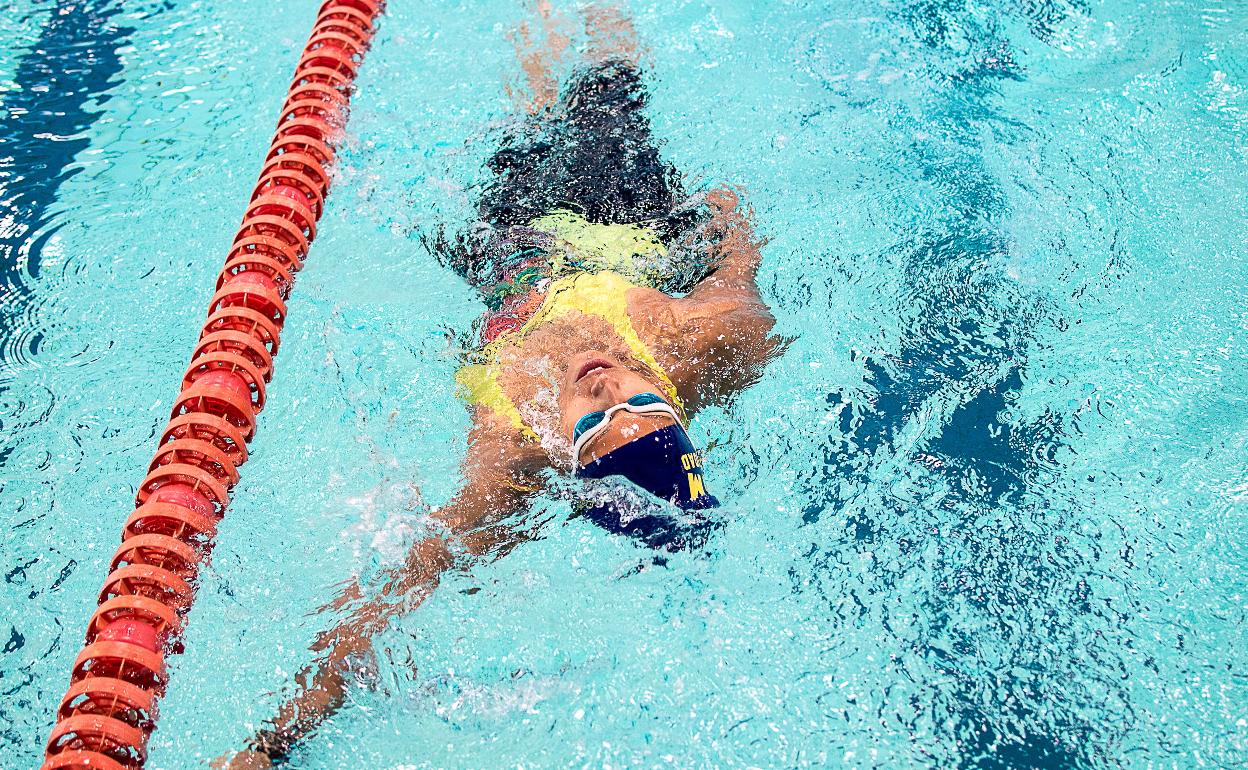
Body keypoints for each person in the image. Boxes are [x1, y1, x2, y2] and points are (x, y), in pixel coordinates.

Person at [219, 6, 779, 767]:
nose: (608, 383)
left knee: (528, 109)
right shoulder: (698, 338)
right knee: (610, 79)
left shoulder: (509, 454)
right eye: (641, 401)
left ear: (563, 451)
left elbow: (390, 600)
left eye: (593, 419)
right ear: (672, 400)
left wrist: (273, 742)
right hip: (625, 221)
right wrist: (728, 226)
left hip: (507, 251)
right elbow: (738, 263)